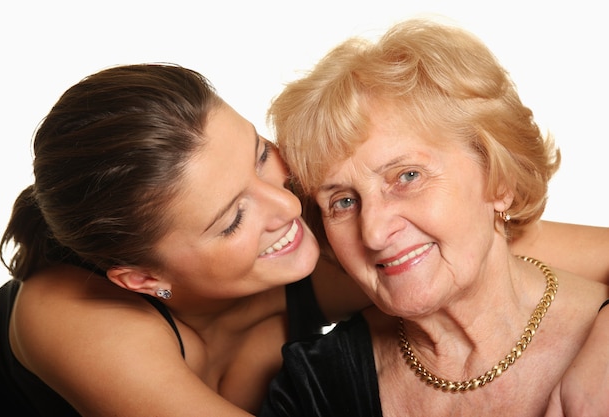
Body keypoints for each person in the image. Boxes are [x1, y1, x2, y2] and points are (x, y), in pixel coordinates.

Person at [0, 63, 606, 417]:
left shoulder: (337, 230)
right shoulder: (71, 317)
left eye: (259, 155)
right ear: (143, 279)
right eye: (231, 219)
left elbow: (496, 232)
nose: (287, 205)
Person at [259, 18, 609, 417]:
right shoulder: (313, 388)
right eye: (342, 202)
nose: (373, 232)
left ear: (499, 180)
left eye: (407, 176)